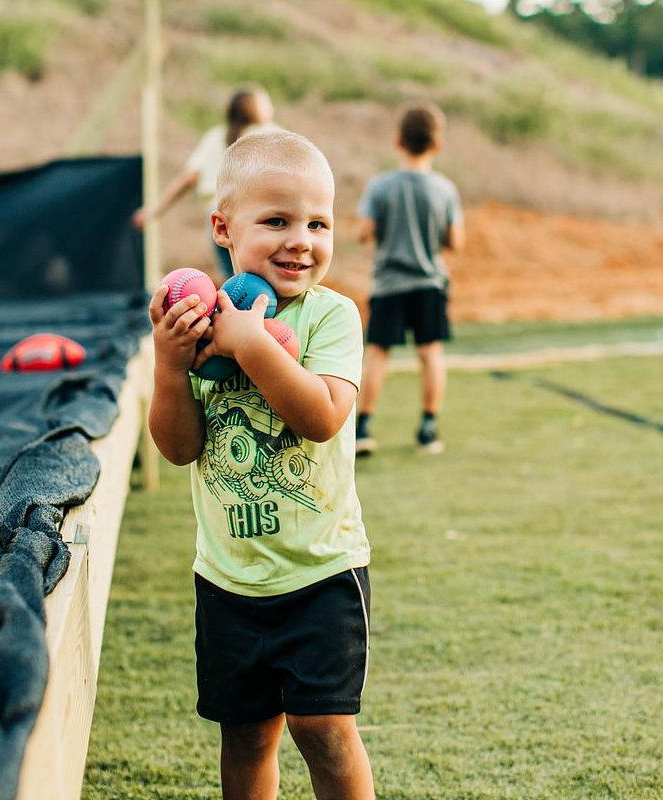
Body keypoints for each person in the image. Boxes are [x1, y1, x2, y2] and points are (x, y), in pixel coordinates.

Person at [147, 130, 374, 800]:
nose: (300, 240)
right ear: (224, 227)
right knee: (246, 736)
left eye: (318, 223)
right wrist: (169, 365)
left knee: (322, 728)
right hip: (229, 578)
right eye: (276, 220)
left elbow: (323, 417)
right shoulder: (199, 320)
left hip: (322, 571)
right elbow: (178, 447)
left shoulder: (333, 316)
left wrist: (251, 346)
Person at [354, 100, 465, 456]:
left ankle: (363, 427)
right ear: (438, 144)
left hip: (388, 283)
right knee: (430, 352)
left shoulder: (379, 186)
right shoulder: (445, 190)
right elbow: (455, 242)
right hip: (430, 283)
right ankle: (428, 427)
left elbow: (363, 231)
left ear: (398, 141)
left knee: (378, 352)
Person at [132, 85, 277, 279]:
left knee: (234, 279)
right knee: (267, 278)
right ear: (256, 109)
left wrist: (152, 211)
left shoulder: (215, 136)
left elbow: (188, 179)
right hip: (255, 216)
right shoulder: (272, 135)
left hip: (218, 218)